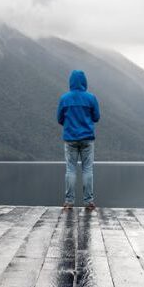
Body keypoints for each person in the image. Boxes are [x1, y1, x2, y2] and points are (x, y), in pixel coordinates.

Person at [57, 70, 100, 210]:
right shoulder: (91, 98)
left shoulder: (64, 99)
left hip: (70, 139)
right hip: (87, 138)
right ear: (84, 81)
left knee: (70, 170)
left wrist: (70, 124)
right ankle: (89, 202)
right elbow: (96, 117)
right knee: (87, 170)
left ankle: (69, 202)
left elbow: (59, 119)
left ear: (71, 82)